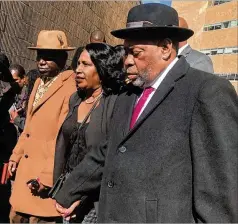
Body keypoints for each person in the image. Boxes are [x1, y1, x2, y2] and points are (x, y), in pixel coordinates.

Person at [54, 3, 238, 223]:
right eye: (126, 52)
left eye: (136, 53)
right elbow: (109, 151)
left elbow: (219, 188)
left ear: (165, 48)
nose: (128, 61)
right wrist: (72, 190)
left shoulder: (206, 91)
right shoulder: (127, 93)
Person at [8, 30, 77, 222]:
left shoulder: (70, 88)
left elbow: (63, 138)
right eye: (39, 56)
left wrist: (46, 178)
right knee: (15, 217)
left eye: (49, 56)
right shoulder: (38, 82)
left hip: (42, 182)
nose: (42, 61)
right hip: (25, 176)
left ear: (63, 58)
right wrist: (16, 155)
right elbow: (28, 127)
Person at [52, 43, 125, 223]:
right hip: (69, 184)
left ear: (101, 68)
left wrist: (81, 194)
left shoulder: (115, 103)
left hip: (95, 193)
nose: (78, 70)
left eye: (86, 64)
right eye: (77, 64)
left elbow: (107, 155)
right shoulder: (76, 99)